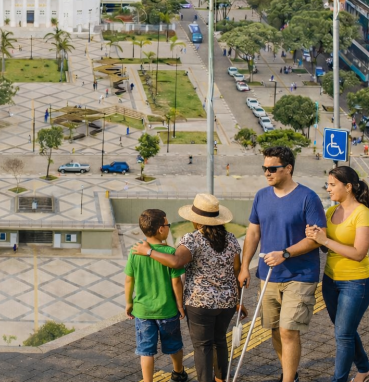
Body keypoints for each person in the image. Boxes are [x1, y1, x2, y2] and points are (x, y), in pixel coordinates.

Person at [131, 195, 247, 382]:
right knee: (219, 341)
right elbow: (237, 270)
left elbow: (176, 262)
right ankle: (221, 379)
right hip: (227, 302)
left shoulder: (192, 239)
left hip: (199, 303)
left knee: (203, 346)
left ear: (197, 220)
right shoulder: (231, 239)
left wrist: (148, 251)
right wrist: (239, 300)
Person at [238, 146, 326, 382]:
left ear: (288, 168)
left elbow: (317, 238)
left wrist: (285, 254)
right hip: (268, 276)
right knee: (276, 330)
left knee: (288, 330)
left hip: (300, 275)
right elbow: (253, 233)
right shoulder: (261, 196)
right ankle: (290, 373)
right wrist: (245, 267)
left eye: (272, 168)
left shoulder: (308, 198)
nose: (267, 173)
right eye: (264, 168)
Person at [306, 166, 369, 382]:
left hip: (356, 283)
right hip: (330, 281)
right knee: (345, 331)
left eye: (332, 184)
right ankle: (364, 369)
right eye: (327, 184)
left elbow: (358, 253)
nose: (328, 188)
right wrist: (315, 236)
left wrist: (325, 240)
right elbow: (325, 248)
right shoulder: (331, 212)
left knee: (343, 335)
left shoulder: (363, 214)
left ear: (348, 187)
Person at [124, 209, 187, 382]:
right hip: (167, 310)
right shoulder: (170, 253)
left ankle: (147, 380)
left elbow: (129, 280)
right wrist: (180, 306)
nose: (168, 227)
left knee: (146, 351)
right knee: (174, 345)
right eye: (168, 224)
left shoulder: (135, 251)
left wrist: (129, 303)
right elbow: (176, 283)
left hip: (143, 311)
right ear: (161, 229)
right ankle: (178, 372)